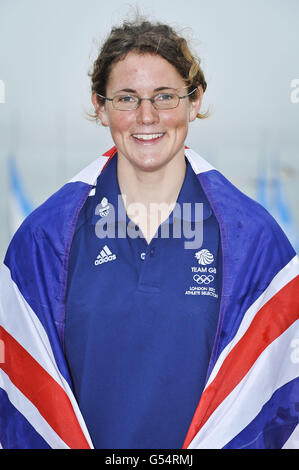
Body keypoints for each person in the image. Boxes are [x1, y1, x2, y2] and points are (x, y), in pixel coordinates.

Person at [0, 16, 298, 450]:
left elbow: (281, 404)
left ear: (194, 102)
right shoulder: (45, 239)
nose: (147, 116)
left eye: (165, 96)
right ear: (100, 108)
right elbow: (20, 407)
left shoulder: (254, 242)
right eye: (126, 98)